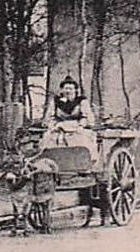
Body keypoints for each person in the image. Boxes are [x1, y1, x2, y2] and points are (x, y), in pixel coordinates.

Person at [44, 76, 114, 226]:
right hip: (59, 128)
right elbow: (50, 117)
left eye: (71, 88)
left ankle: (85, 164)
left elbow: (88, 118)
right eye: (65, 88)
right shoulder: (55, 101)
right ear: (61, 90)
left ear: (75, 90)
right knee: (47, 138)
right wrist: (53, 125)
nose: (68, 91)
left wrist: (78, 125)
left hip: (77, 128)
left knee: (81, 139)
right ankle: (52, 166)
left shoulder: (82, 101)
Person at [0, 131, 38, 236]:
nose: (23, 139)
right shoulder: (13, 150)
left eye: (25, 136)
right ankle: (15, 226)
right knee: (14, 203)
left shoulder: (32, 144)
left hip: (25, 165)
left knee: (26, 201)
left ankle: (24, 226)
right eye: (21, 137)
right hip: (17, 170)